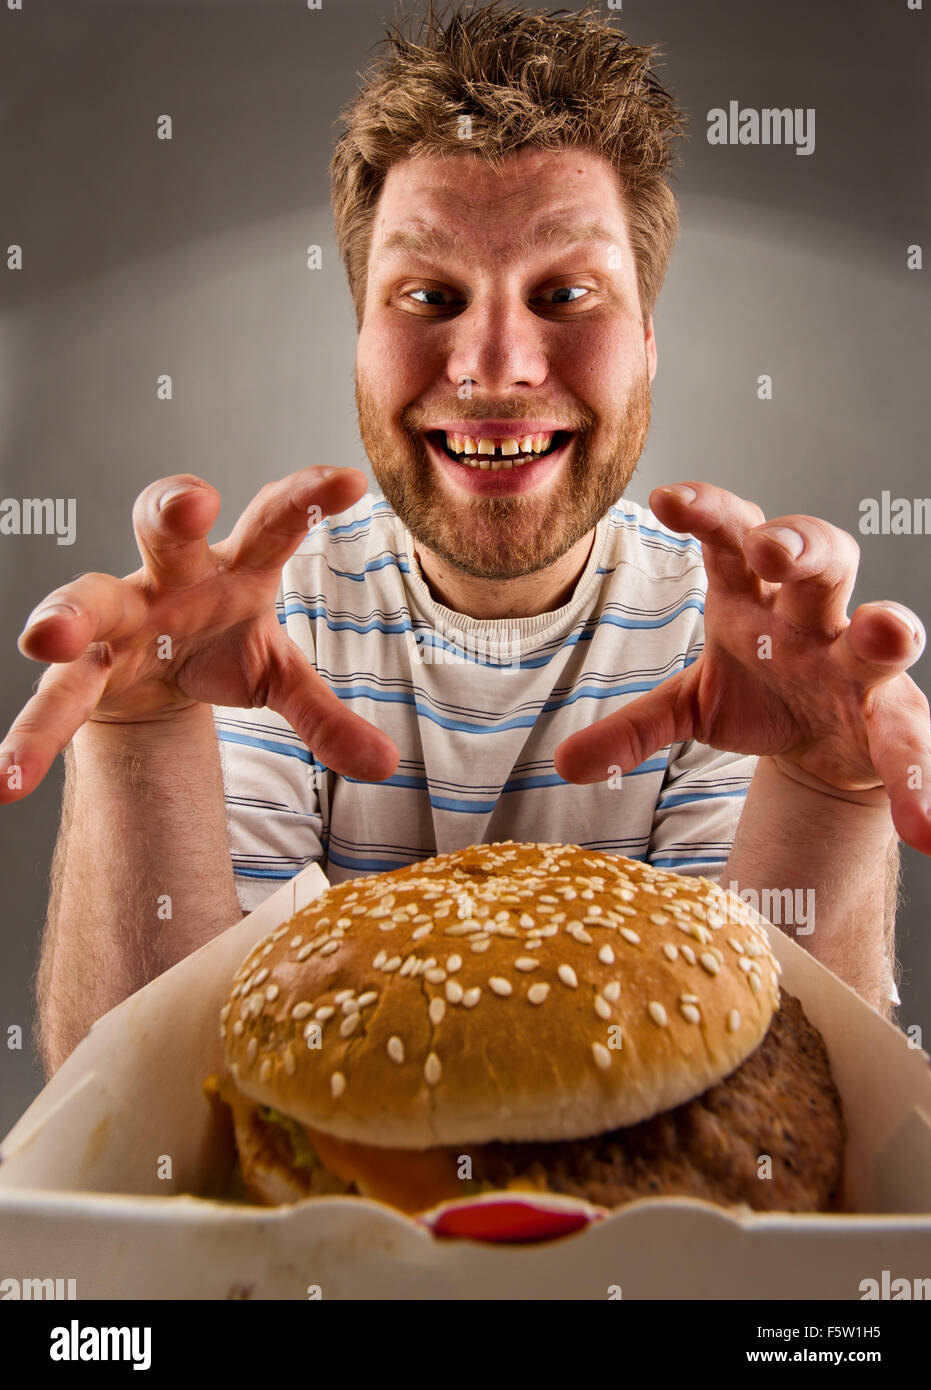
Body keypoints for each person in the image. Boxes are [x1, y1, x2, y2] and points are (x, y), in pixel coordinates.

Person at [4, 3, 927, 1075]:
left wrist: (821, 791)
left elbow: (762, 1143)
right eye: (430, 294)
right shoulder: (257, 624)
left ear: (647, 345)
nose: (495, 365)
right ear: (359, 340)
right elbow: (167, 1120)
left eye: (566, 292)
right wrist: (145, 738)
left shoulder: (738, 641)